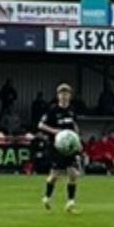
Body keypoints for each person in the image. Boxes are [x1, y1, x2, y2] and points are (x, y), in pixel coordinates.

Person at [38, 84, 83, 213]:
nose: (64, 96)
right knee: (54, 176)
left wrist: (78, 140)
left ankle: (70, 203)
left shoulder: (72, 110)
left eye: (66, 93)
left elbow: (75, 126)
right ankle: (47, 197)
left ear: (70, 95)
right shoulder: (52, 110)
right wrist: (56, 131)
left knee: (73, 174)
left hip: (70, 146)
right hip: (57, 146)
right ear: (58, 96)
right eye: (61, 93)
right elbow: (40, 125)